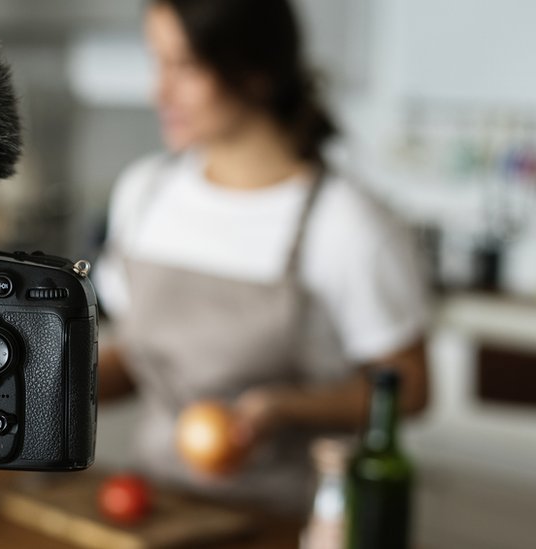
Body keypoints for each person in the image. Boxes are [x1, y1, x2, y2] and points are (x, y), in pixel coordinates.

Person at [94, 0, 430, 512]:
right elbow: (134, 355)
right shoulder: (146, 191)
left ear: (255, 72)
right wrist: (53, 382)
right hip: (152, 504)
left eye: (184, 66)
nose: (157, 91)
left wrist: (282, 408)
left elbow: (409, 390)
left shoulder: (348, 225)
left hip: (283, 518)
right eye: (156, 62)